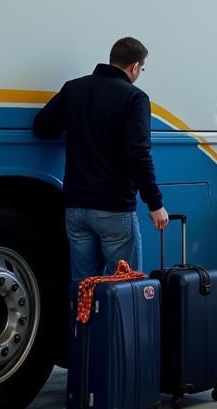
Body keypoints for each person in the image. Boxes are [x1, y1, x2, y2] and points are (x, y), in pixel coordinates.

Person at [33, 36, 169, 280]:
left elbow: (42, 126)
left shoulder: (74, 88)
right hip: (113, 208)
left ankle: (83, 320)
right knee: (125, 287)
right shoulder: (135, 98)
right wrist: (155, 203)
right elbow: (138, 153)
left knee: (84, 286)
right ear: (135, 66)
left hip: (76, 207)